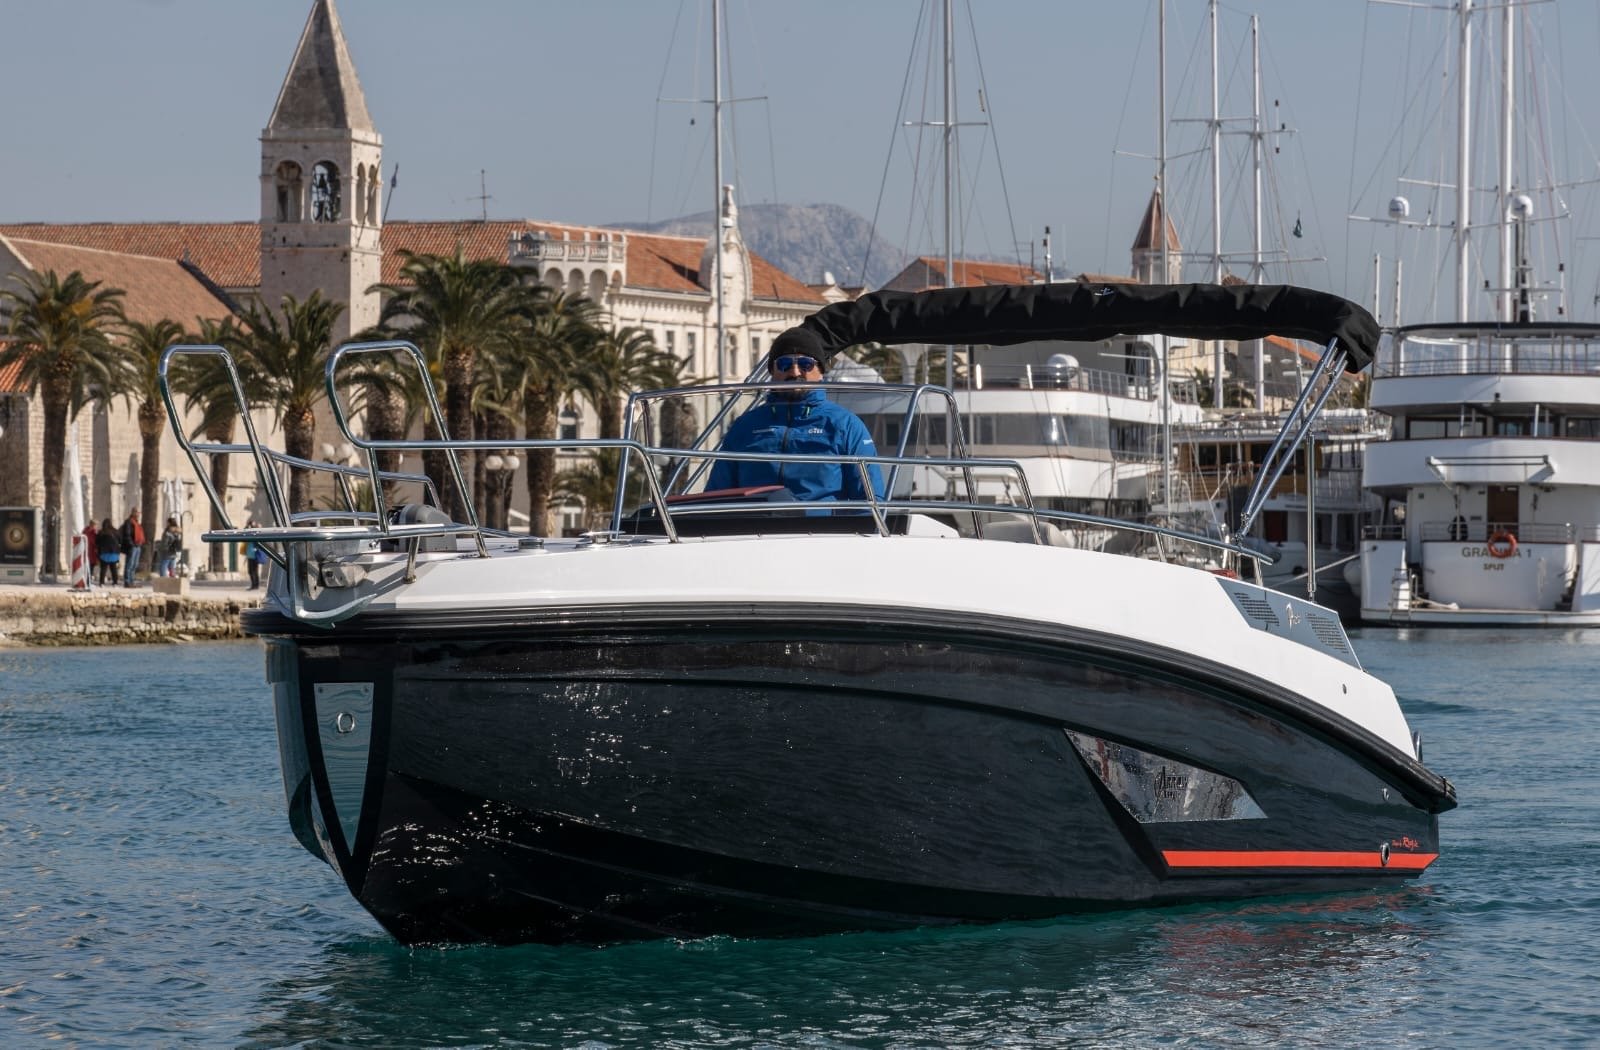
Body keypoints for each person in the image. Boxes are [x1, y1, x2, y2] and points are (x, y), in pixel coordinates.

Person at [705, 328, 886, 503]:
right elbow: (717, 495)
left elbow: (869, 500)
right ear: (772, 372)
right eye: (784, 364)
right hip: (756, 530)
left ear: (820, 371)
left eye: (805, 364)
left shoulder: (844, 425)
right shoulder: (745, 426)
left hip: (821, 531)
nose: (795, 372)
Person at [119, 508, 145, 586]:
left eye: (139, 512)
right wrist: (131, 544)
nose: (138, 514)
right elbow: (127, 534)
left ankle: (131, 581)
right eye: (137, 512)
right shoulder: (129, 522)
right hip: (132, 546)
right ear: (133, 512)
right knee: (130, 564)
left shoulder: (136, 523)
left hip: (138, 546)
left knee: (135, 565)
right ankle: (127, 581)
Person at [96, 516, 121, 586]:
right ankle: (115, 582)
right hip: (114, 553)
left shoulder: (101, 532)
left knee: (103, 568)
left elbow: (97, 542)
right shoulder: (116, 531)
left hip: (104, 553)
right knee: (113, 568)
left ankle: (102, 583)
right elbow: (120, 541)